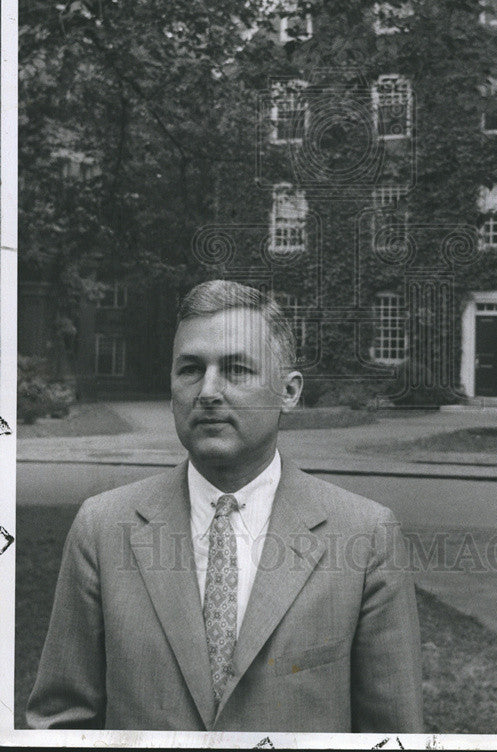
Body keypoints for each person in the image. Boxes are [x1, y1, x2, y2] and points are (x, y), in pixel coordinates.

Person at [27, 280, 424, 733]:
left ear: (289, 392)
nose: (208, 391)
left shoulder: (366, 535)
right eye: (191, 369)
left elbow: (392, 734)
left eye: (236, 369)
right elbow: (61, 724)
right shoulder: (102, 528)